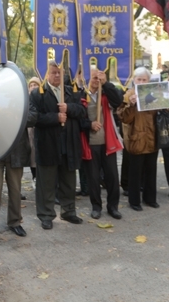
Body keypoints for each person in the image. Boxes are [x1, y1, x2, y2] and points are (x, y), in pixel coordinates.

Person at [30, 60, 86, 229]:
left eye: (59, 73)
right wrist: (55, 118)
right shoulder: (37, 94)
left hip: (68, 144)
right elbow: (34, 118)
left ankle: (68, 211)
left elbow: (82, 111)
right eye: (53, 72)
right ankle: (46, 214)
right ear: (46, 73)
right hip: (48, 144)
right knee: (46, 183)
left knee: (68, 181)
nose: (56, 75)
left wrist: (68, 108)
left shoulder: (71, 91)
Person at [0, 93, 38, 241]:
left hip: (16, 151)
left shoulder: (23, 96)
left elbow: (33, 117)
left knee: (15, 190)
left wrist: (12, 116)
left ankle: (14, 222)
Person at [81, 69, 123, 220]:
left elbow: (118, 101)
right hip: (90, 142)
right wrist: (89, 124)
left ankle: (113, 207)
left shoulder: (106, 94)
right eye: (94, 78)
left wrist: (106, 83)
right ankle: (96, 207)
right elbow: (78, 118)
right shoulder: (81, 94)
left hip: (108, 142)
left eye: (99, 78)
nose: (96, 81)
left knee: (112, 176)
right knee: (93, 177)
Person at [118, 67, 161, 211]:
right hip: (136, 138)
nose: (142, 82)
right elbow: (124, 118)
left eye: (144, 79)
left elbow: (160, 113)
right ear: (134, 80)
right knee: (135, 171)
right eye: (139, 79)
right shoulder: (128, 95)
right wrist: (131, 104)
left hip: (152, 137)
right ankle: (134, 201)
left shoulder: (155, 92)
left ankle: (150, 199)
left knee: (151, 170)